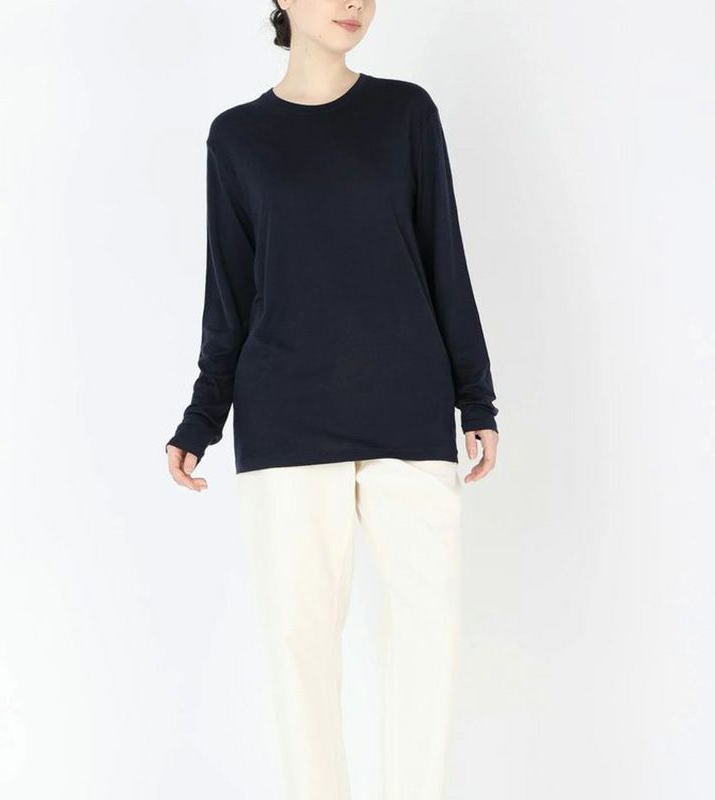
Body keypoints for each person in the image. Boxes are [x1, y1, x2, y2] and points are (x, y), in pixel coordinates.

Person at [165, 2, 500, 798]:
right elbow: (229, 297)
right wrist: (202, 417)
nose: (353, 2)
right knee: (301, 650)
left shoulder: (406, 114)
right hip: (285, 416)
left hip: (408, 409)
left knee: (430, 635)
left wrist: (476, 397)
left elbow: (444, 257)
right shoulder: (237, 138)